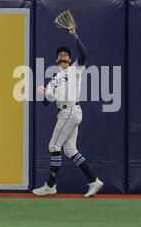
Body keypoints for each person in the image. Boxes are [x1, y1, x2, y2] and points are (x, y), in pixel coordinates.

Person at [33, 27, 103, 197]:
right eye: (60, 54)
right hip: (66, 112)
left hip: (70, 110)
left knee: (53, 146)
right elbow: (46, 102)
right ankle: (94, 181)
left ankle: (50, 185)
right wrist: (42, 93)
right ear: (57, 60)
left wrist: (74, 34)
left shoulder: (74, 69)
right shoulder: (53, 80)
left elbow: (84, 53)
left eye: (66, 54)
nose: (63, 55)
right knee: (70, 150)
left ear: (70, 59)